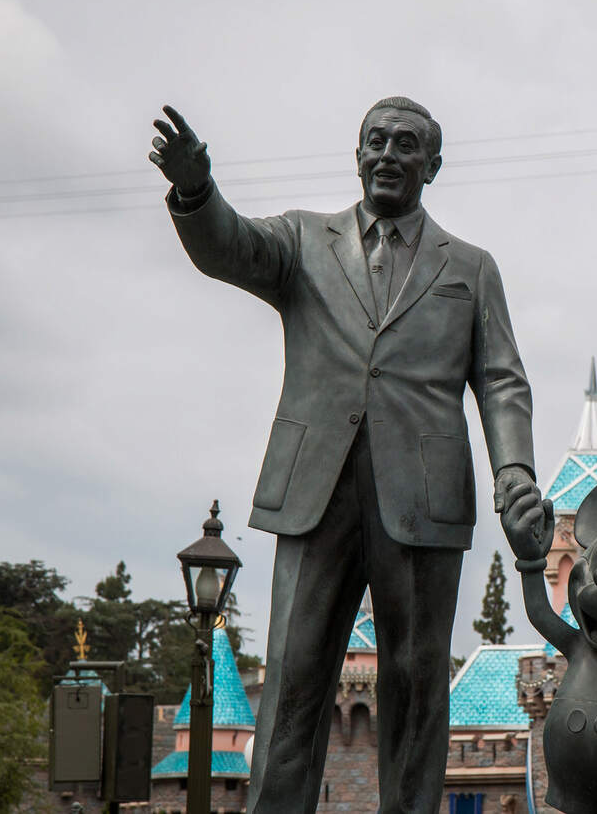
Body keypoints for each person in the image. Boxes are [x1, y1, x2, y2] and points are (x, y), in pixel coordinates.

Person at [149, 98, 541, 813]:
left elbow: (503, 381)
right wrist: (196, 192)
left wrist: (514, 471)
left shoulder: (473, 269)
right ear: (356, 153)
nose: (389, 153)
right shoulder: (303, 240)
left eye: (407, 144)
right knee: (294, 683)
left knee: (418, 686)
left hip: (424, 499)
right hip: (313, 489)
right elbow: (226, 246)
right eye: (376, 140)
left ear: (434, 164)